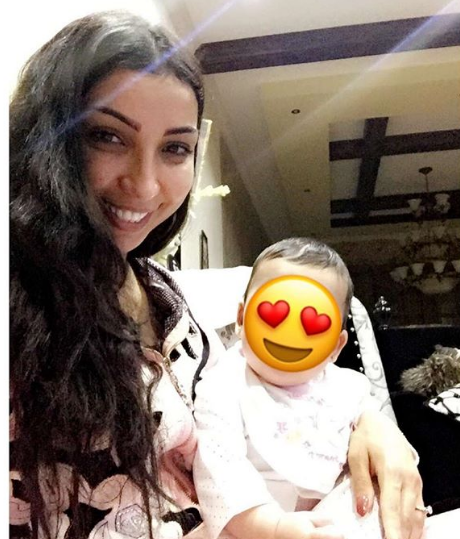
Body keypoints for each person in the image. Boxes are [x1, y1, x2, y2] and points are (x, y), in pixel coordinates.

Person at [9, 10, 425, 539]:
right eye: (108, 137)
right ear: (48, 138)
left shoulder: (170, 297)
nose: (145, 184)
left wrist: (372, 427)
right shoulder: (17, 305)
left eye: (175, 148)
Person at [194, 238, 428, 539]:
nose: (290, 333)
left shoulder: (346, 387)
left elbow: (382, 449)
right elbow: (221, 473)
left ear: (336, 347)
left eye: (313, 324)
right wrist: (275, 529)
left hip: (334, 516)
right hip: (254, 524)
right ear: (241, 319)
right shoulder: (223, 385)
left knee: (372, 497)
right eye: (272, 315)